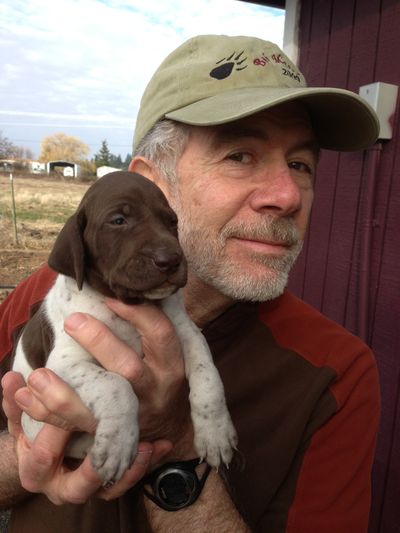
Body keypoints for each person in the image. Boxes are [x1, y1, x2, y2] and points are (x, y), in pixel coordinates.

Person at [0, 34, 380, 533]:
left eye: (300, 164)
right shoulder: (49, 293)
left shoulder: (335, 374)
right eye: (239, 155)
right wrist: (24, 459)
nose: (288, 196)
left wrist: (173, 444)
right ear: (150, 184)